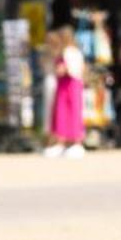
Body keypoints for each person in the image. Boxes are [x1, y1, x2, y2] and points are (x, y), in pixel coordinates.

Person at [44, 26, 86, 158]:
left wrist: (64, 69)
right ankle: (62, 142)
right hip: (64, 85)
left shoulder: (70, 52)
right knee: (62, 114)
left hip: (70, 85)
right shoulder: (67, 52)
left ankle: (75, 142)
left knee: (72, 112)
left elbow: (71, 69)